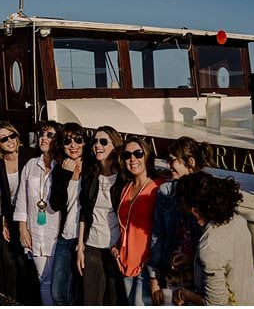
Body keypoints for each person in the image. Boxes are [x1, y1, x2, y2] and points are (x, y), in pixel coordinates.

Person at [171, 173, 254, 306]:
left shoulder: (210, 245)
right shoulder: (237, 220)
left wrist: (183, 294)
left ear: (194, 211)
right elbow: (229, 260)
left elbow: (216, 303)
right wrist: (193, 259)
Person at [0, 120, 35, 299]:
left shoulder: (30, 155)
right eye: (4, 139)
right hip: (12, 213)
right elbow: (4, 193)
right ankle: (14, 297)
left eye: (13, 136)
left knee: (32, 258)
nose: (10, 141)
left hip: (33, 213)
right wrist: (4, 219)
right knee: (16, 257)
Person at [150, 136, 208, 305]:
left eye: (173, 160)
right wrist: (154, 278)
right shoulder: (166, 191)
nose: (168, 165)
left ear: (190, 162)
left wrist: (192, 258)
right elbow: (157, 235)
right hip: (172, 272)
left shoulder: (207, 192)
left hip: (200, 275)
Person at [76, 126, 128, 305]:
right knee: (91, 300)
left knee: (114, 300)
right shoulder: (91, 175)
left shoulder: (123, 178)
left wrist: (122, 245)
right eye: (95, 142)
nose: (97, 145)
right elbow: (85, 211)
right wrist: (80, 246)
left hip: (115, 248)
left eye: (103, 142)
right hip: (92, 245)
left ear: (115, 146)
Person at [111, 137, 161, 306]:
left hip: (146, 265)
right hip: (125, 263)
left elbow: (163, 229)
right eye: (127, 155)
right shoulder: (126, 187)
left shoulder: (158, 187)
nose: (132, 159)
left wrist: (153, 261)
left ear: (146, 155)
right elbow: (126, 225)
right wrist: (116, 245)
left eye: (138, 153)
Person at [16, 121, 62, 305]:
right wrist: (22, 228)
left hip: (57, 232)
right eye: (42, 134)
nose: (43, 138)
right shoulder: (30, 165)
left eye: (50, 135)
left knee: (60, 281)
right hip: (36, 231)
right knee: (43, 279)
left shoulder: (63, 166)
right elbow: (22, 198)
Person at [49, 122, 91, 305]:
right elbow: (55, 204)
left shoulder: (93, 167)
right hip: (66, 236)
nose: (73, 145)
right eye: (67, 141)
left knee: (83, 292)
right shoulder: (60, 168)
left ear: (84, 142)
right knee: (58, 292)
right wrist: (65, 175)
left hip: (88, 238)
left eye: (78, 139)